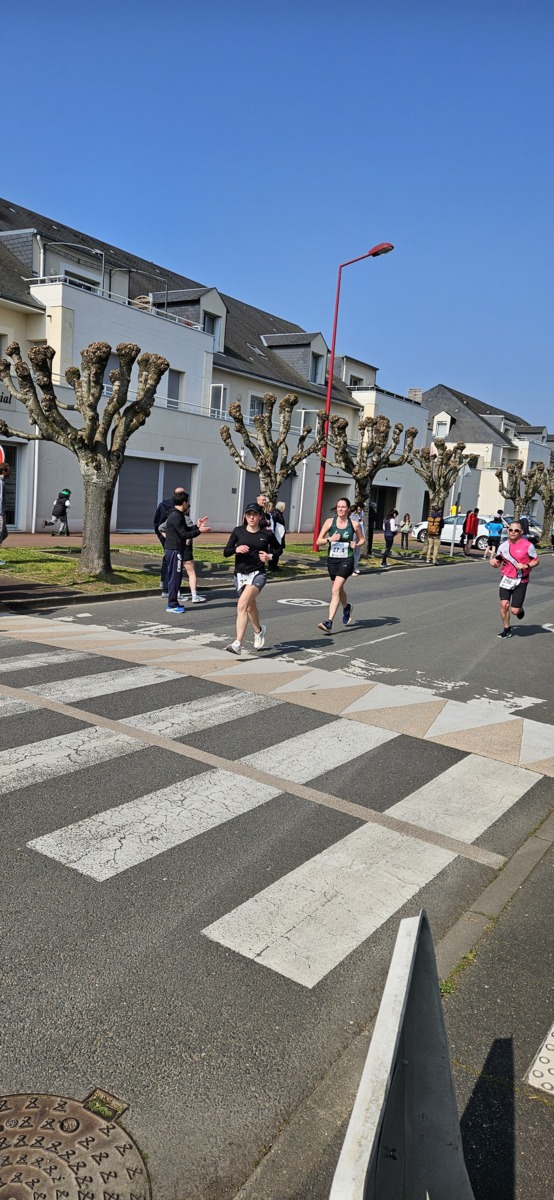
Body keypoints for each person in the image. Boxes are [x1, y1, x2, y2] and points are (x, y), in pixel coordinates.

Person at [223, 502, 280, 654]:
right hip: (240, 575)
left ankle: (238, 643)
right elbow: (226, 552)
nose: (252, 517)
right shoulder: (238, 531)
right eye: (249, 514)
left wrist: (269, 556)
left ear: (260, 516)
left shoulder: (266, 534)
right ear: (245, 516)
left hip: (257, 574)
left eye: (255, 514)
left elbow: (279, 549)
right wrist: (236, 549)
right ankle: (259, 631)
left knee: (242, 605)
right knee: (249, 607)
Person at [315, 498, 364, 634]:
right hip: (332, 560)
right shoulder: (329, 522)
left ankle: (329, 622)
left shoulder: (354, 524)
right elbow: (318, 541)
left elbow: (362, 540)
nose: (340, 509)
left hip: (347, 560)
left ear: (348, 509)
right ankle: (346, 607)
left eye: (343, 507)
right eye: (338, 507)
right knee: (338, 589)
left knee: (335, 590)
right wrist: (329, 539)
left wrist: (356, 544)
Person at [163, 492, 210, 613]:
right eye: (187, 502)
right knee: (175, 578)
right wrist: (200, 531)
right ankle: (172, 604)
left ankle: (174, 603)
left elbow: (185, 529)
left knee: (177, 577)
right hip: (174, 550)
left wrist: (197, 526)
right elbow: (184, 534)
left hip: (176, 549)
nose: (188, 504)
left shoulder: (178, 515)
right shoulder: (176, 516)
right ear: (184, 502)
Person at [491, 520, 539, 638]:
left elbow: (536, 561)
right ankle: (507, 629)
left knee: (515, 611)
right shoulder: (503, 546)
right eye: (511, 530)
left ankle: (520, 609)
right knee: (504, 605)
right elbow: (498, 562)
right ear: (508, 531)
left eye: (516, 530)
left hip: (521, 580)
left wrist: (526, 565)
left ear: (521, 532)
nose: (513, 532)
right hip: (506, 579)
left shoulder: (528, 545)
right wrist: (494, 563)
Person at [270, 500, 287, 569]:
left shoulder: (278, 513)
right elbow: (274, 525)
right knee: (277, 550)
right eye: (284, 507)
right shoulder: (276, 514)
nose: (285, 509)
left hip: (279, 535)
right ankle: (273, 565)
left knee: (277, 550)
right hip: (277, 535)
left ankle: (274, 565)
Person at [0, 462, 11, 564]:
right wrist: (1, 513)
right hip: (0, 513)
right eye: (8, 469)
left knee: (4, 533)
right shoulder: (0, 483)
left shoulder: (2, 482)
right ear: (4, 471)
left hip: (1, 512)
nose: (10, 471)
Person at [352, 504, 365, 573]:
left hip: (359, 536)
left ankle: (355, 567)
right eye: (358, 509)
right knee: (352, 553)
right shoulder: (352, 516)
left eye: (361, 510)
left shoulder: (359, 516)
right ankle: (351, 569)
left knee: (357, 553)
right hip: (354, 536)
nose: (360, 511)